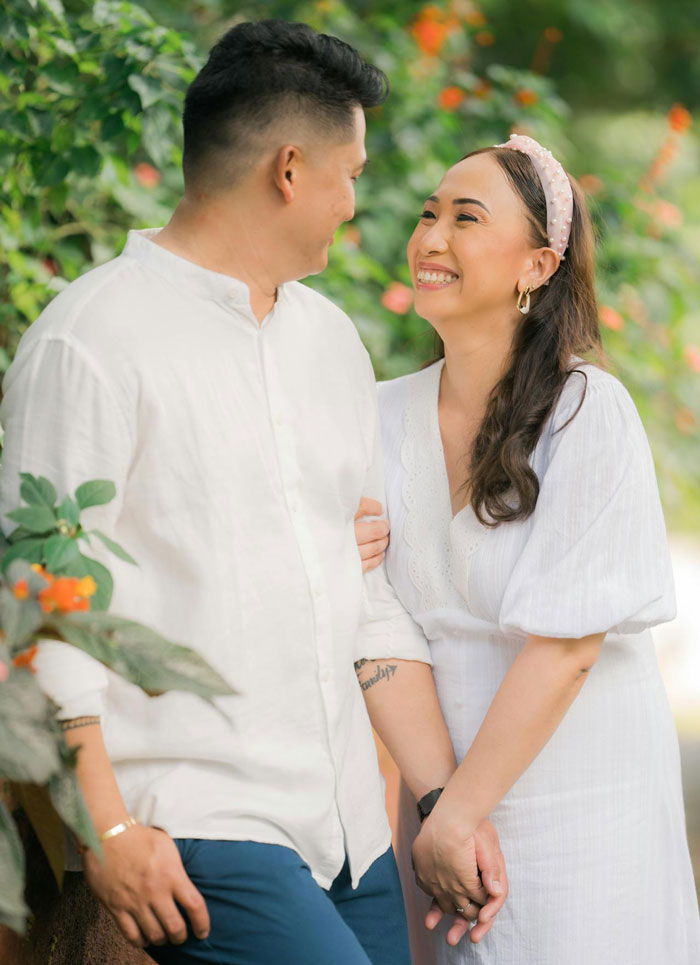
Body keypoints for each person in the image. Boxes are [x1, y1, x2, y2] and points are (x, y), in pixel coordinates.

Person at [0, 21, 506, 965]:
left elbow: (365, 600)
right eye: (348, 172)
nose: (355, 202)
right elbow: (38, 610)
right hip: (200, 816)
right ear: (288, 169)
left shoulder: (330, 341)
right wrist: (107, 831)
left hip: (346, 825)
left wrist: (439, 804)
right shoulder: (91, 341)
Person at [376, 134, 700, 963]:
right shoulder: (376, 414)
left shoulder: (588, 409)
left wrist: (454, 817)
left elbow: (567, 647)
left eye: (467, 218)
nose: (432, 237)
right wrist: (440, 805)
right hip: (442, 797)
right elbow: (376, 626)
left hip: (579, 799)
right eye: (428, 213)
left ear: (538, 264)